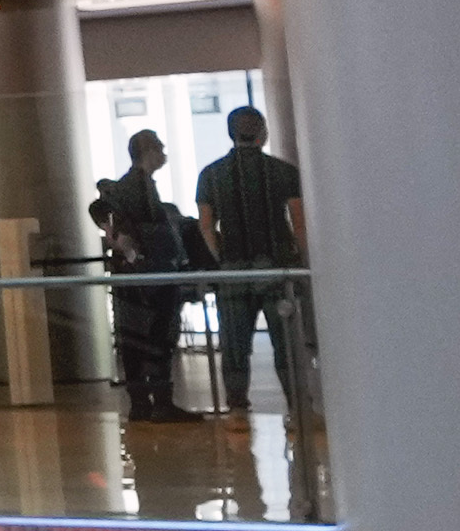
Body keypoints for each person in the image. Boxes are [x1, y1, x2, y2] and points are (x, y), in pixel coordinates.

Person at [193, 102, 308, 422]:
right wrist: (299, 258)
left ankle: (238, 410)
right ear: (262, 132)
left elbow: (206, 225)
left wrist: (223, 258)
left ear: (231, 133)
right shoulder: (282, 171)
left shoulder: (211, 174)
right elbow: (299, 223)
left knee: (234, 345)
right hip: (276, 267)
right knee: (285, 344)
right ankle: (297, 408)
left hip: (234, 269)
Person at [93, 128, 196, 422]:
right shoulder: (135, 188)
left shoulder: (136, 187)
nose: (164, 153)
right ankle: (156, 402)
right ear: (149, 152)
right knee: (155, 338)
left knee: (139, 340)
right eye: (160, 148)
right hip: (150, 278)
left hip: (142, 277)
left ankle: (144, 402)